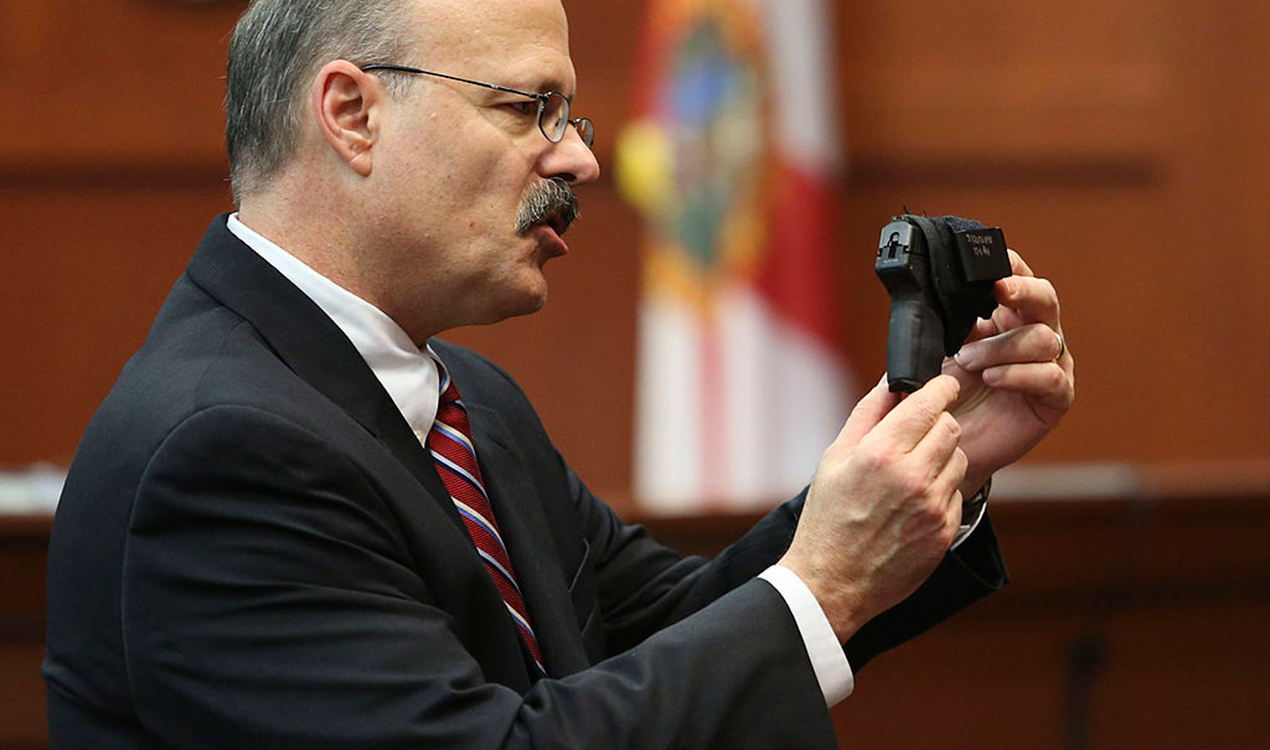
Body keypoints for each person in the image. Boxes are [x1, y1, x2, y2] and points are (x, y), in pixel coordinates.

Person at [42, 0, 1075, 747]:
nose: (582, 160)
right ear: (353, 114)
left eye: (566, 116)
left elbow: (671, 634)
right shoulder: (219, 449)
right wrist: (825, 584)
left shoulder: (466, 401)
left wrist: (938, 455)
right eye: (527, 107)